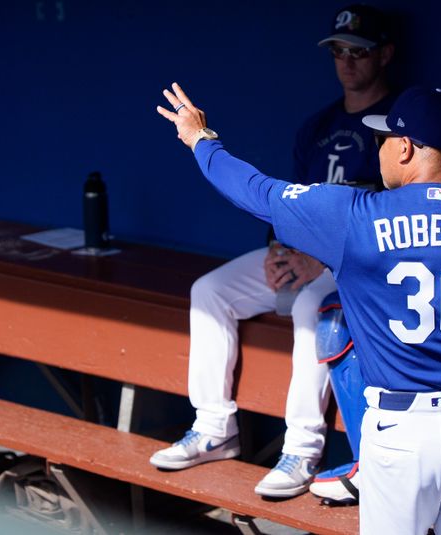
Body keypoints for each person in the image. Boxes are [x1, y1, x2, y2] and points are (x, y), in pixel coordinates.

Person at [158, 82, 441, 534]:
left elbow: (254, 190)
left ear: (406, 148)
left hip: (399, 433)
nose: (378, 149)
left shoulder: (353, 214)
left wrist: (201, 140)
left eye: (382, 139)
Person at [149, 4, 396, 499]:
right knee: (210, 290)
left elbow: (388, 221)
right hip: (302, 252)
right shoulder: (318, 125)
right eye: (339, 52)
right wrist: (277, 249)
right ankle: (214, 428)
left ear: (385, 55)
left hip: (355, 266)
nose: (347, 62)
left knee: (311, 306)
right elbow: (287, 202)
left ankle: (302, 450)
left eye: (359, 52)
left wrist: (319, 260)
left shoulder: (395, 127)